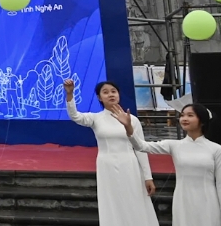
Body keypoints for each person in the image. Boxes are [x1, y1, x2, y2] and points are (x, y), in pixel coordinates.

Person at [63, 78, 156, 226]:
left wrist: (148, 177)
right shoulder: (96, 118)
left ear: (118, 94)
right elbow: (75, 116)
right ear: (100, 98)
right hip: (106, 165)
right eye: (105, 92)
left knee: (134, 199)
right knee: (111, 201)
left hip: (129, 164)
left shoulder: (132, 119)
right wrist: (69, 94)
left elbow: (141, 149)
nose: (110, 95)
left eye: (113, 91)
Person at [115, 102, 220, 226]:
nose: (184, 119)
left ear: (202, 121)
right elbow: (141, 146)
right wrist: (129, 128)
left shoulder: (216, 149)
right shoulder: (174, 145)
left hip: (208, 200)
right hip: (183, 199)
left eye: (190, 115)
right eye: (182, 115)